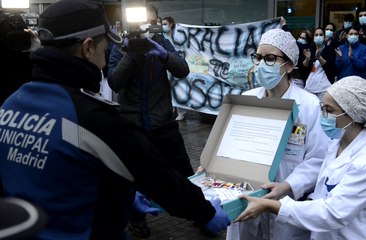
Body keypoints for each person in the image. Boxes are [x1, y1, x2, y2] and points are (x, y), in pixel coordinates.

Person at [0, 0, 230, 239]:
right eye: (105, 45)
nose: (106, 51)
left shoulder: (10, 104)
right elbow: (159, 178)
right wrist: (205, 213)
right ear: (88, 48)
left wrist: (119, 194)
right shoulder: (94, 118)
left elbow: (63, 172)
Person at [234, 76, 366, 240]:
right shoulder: (336, 146)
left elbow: (332, 213)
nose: (323, 116)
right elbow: (322, 195)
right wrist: (285, 188)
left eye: (329, 111)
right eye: (322, 108)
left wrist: (272, 206)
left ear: (354, 114)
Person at [226, 28, 330, 240]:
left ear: (290, 65)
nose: (262, 64)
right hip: (247, 193)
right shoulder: (246, 100)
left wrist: (288, 185)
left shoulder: (309, 105)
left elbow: (318, 158)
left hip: (287, 199)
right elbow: (229, 147)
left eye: (270, 58)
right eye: (258, 57)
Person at [107, 5, 197, 238]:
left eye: (152, 21)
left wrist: (165, 56)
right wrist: (132, 53)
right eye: (142, 22)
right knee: (133, 176)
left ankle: (201, 211)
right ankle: (137, 218)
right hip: (133, 125)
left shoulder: (162, 42)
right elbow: (114, 81)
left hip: (162, 123)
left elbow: (183, 70)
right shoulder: (121, 46)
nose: (148, 26)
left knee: (184, 171)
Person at [162, 16, 188, 121]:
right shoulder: (161, 37)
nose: (162, 26)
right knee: (169, 90)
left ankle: (182, 112)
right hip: (166, 66)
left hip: (176, 65)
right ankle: (172, 110)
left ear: (171, 24)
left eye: (165, 24)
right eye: (162, 24)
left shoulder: (178, 36)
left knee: (179, 89)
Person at [304, 27, 336, 101]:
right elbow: (305, 67)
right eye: (316, 35)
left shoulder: (329, 49)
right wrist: (307, 59)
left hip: (323, 87)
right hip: (310, 85)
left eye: (321, 35)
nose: (318, 36)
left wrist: (319, 57)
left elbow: (330, 68)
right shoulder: (310, 49)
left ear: (324, 37)